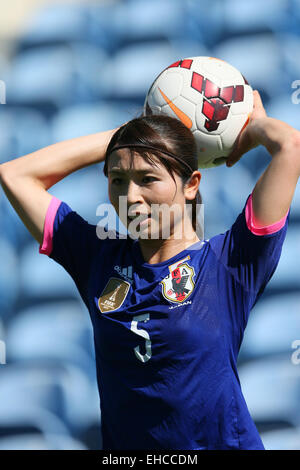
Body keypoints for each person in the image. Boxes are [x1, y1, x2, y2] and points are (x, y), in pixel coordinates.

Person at [0, 90, 299, 450]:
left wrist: (252, 129)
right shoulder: (95, 258)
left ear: (191, 185)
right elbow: (15, 174)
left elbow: (289, 146)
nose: (131, 196)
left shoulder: (230, 262)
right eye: (118, 179)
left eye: (147, 178)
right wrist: (128, 135)